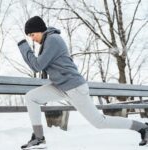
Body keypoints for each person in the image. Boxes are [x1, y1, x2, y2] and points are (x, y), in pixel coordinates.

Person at [18, 16, 148, 150]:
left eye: (32, 35)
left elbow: (37, 65)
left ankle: (142, 127)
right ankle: (39, 138)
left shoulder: (53, 40)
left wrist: (23, 46)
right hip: (61, 86)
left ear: (40, 31)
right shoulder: (48, 41)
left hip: (74, 87)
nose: (32, 38)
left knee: (99, 122)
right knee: (31, 97)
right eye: (29, 36)